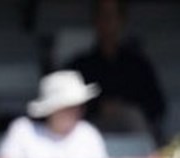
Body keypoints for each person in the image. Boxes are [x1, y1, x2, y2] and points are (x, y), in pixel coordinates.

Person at [65, 0, 166, 145]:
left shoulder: (139, 65)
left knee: (133, 117)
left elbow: (158, 106)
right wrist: (99, 107)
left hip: (134, 132)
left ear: (122, 20)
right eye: (102, 15)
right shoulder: (80, 65)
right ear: (95, 20)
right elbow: (66, 107)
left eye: (112, 15)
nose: (107, 21)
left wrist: (123, 107)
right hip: (91, 132)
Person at [0, 70, 108, 158]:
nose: (75, 112)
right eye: (67, 107)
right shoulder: (22, 132)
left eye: (77, 106)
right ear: (50, 109)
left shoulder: (88, 134)